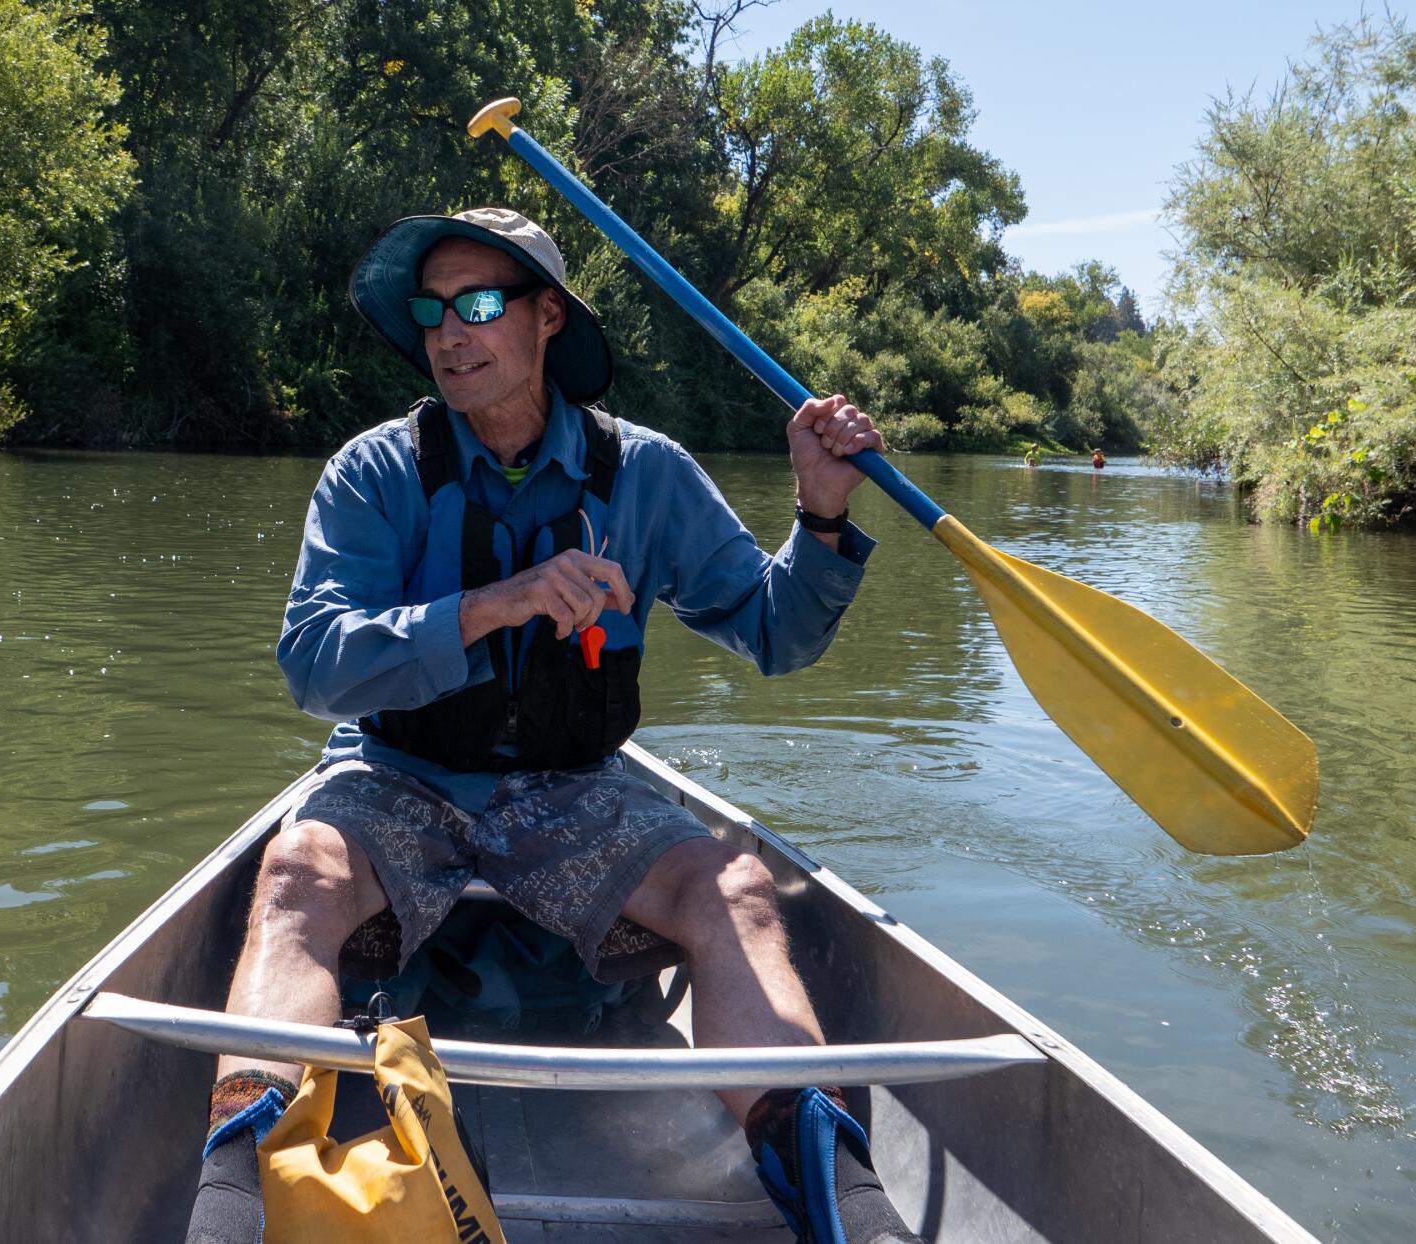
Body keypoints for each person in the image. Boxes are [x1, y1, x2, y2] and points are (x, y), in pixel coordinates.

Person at [187, 207, 923, 1244]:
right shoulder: (372, 472)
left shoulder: (647, 474)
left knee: (739, 885)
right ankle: (225, 1209)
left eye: (479, 304)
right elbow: (313, 664)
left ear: (546, 320)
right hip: (397, 776)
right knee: (297, 868)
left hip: (575, 789)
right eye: (432, 309)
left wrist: (819, 516)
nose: (449, 331)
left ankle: (846, 1201)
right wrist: (495, 602)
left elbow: (775, 631)